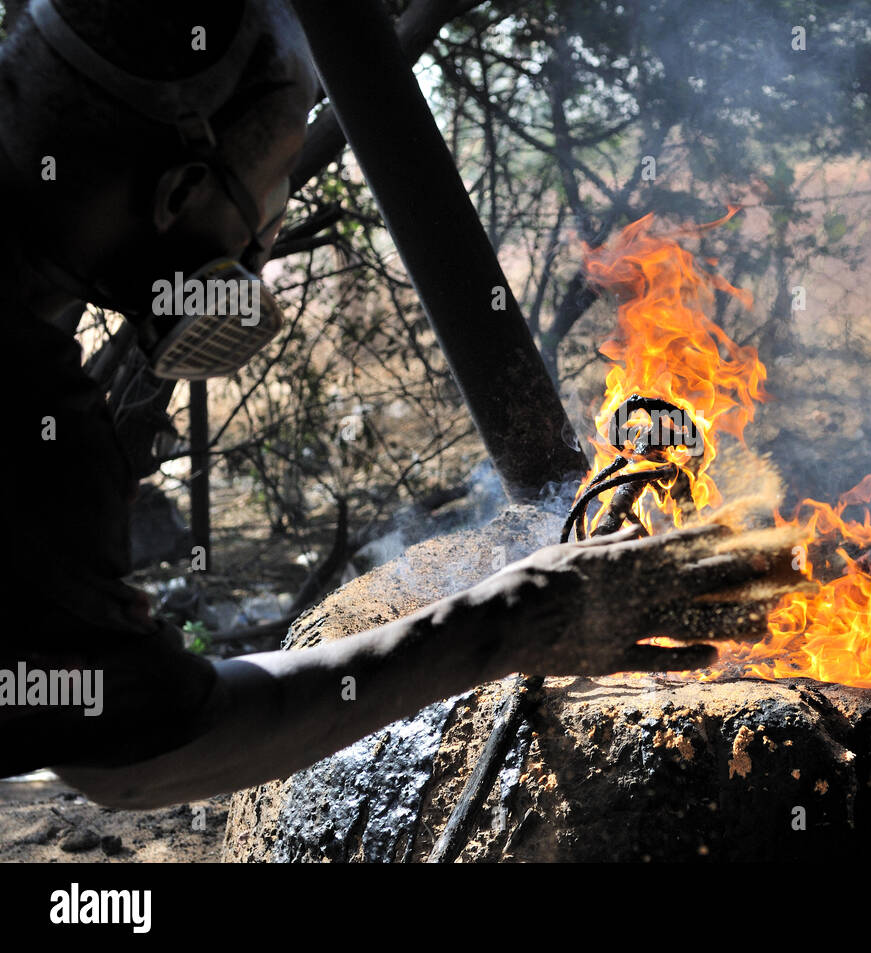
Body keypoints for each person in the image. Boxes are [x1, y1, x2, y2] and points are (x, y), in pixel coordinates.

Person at [0, 0, 781, 808]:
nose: (266, 234)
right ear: (182, 193)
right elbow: (140, 750)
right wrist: (515, 619)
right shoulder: (31, 417)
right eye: (270, 187)